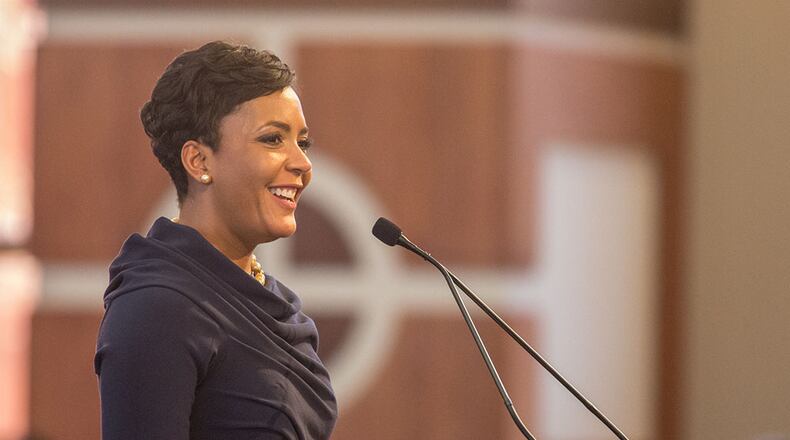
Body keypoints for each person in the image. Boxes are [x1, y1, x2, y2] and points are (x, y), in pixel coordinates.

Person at [94, 41, 337, 440]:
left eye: (302, 142)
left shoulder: (271, 302)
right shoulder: (158, 308)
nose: (302, 163)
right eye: (273, 139)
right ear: (199, 161)